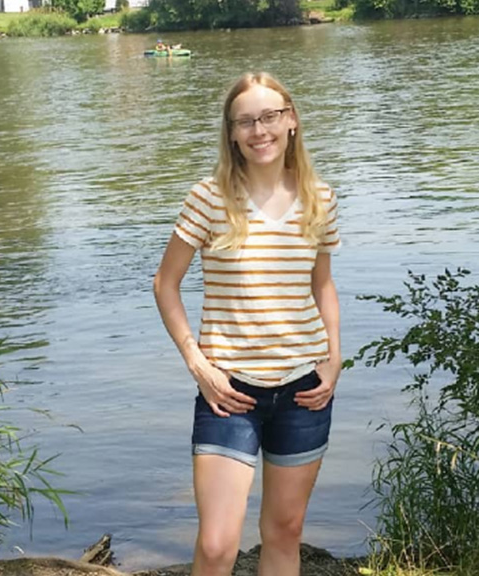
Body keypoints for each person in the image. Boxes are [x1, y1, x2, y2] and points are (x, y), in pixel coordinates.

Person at [153, 72, 341, 576]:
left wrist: (334, 358)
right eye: (246, 121)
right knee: (217, 545)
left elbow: (322, 284)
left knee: (284, 533)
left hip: (304, 390)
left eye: (270, 116)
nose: (260, 130)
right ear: (232, 133)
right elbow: (165, 284)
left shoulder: (320, 198)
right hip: (227, 392)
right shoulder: (208, 198)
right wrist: (198, 364)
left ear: (292, 121)